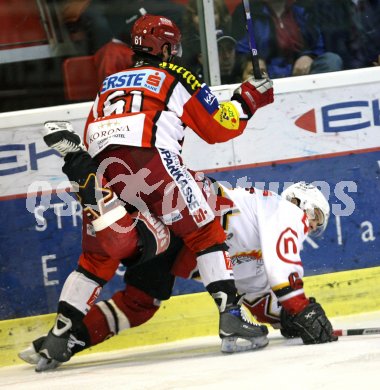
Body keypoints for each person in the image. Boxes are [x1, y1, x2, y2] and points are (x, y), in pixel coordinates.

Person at [22, 13, 274, 370]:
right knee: (205, 230)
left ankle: (58, 336)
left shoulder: (108, 83)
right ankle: (232, 321)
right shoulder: (176, 75)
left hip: (104, 169)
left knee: (99, 258)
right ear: (167, 47)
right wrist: (248, 99)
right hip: (151, 160)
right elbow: (220, 127)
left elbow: (97, 133)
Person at [19, 142, 337, 370]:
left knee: (140, 303)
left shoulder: (260, 249)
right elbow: (283, 268)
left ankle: (65, 340)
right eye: (316, 219)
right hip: (188, 218)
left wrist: (288, 319)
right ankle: (93, 182)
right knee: (126, 243)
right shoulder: (284, 210)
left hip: (184, 245)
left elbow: (256, 295)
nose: (312, 227)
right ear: (303, 203)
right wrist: (301, 308)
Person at [231, 0, 343, 79]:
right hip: (267, 76)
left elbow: (317, 45)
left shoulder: (301, 10)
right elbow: (239, 49)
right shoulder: (246, 11)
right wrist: (253, 59)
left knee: (331, 60)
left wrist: (308, 56)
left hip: (302, 74)